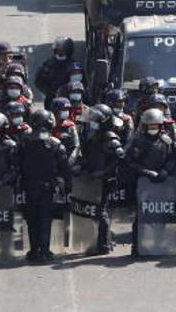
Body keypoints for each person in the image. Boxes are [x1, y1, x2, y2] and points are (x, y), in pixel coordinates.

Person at [71, 105, 123, 254]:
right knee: (92, 210)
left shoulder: (109, 138)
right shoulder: (93, 136)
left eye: (94, 120)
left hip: (105, 180)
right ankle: (96, 241)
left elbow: (119, 158)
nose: (91, 123)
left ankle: (104, 244)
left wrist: (102, 172)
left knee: (101, 212)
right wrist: (80, 166)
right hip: (93, 180)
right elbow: (89, 157)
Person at [126, 108, 176, 257]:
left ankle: (160, 244)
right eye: (150, 126)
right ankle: (138, 246)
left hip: (163, 182)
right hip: (144, 183)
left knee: (162, 214)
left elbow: (173, 158)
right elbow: (129, 161)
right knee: (142, 216)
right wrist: (145, 171)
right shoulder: (138, 141)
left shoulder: (167, 141)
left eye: (156, 126)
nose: (153, 128)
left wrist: (165, 171)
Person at [18, 109, 68, 262]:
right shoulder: (55, 144)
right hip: (47, 189)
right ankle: (45, 251)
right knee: (45, 219)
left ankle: (34, 251)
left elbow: (17, 164)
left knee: (31, 219)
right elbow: (64, 167)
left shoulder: (24, 142)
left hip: (29, 187)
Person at [35, 37, 76, 109]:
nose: (59, 53)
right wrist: (50, 92)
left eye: (62, 51)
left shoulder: (74, 66)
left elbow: (81, 83)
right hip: (52, 98)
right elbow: (39, 81)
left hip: (70, 98)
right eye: (58, 51)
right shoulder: (48, 64)